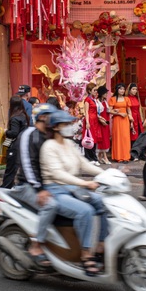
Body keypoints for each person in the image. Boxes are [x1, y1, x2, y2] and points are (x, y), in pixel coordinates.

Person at [40, 110, 107, 275]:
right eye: (66, 124)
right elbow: (58, 174)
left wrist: (107, 174)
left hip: (73, 188)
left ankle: (101, 246)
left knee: (103, 203)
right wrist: (84, 183)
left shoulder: (69, 144)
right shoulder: (49, 146)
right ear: (56, 127)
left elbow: (83, 164)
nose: (70, 127)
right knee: (86, 211)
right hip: (56, 190)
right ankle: (85, 255)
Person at [12, 103, 60, 267]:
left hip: (46, 185)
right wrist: (39, 189)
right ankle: (36, 246)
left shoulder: (48, 135)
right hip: (27, 186)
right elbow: (27, 164)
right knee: (51, 206)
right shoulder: (29, 134)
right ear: (42, 117)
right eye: (50, 116)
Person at [1, 95, 30, 188]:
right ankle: (12, 186)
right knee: (17, 168)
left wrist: (6, 132)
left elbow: (14, 133)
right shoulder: (24, 115)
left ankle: (5, 188)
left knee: (10, 168)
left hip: (15, 145)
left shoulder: (15, 118)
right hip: (23, 144)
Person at [108, 83, 132, 163]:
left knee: (125, 138)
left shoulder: (126, 99)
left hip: (125, 120)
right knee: (118, 137)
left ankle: (126, 156)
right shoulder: (113, 99)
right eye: (120, 89)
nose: (122, 90)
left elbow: (129, 110)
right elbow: (109, 110)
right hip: (117, 119)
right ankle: (118, 157)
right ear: (117, 90)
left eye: (123, 89)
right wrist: (118, 113)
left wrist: (130, 118)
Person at [83, 83, 102, 165]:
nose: (96, 91)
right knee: (89, 139)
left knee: (94, 139)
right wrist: (87, 122)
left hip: (94, 121)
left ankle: (93, 158)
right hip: (90, 120)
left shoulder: (93, 99)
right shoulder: (87, 100)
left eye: (96, 90)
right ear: (89, 91)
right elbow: (86, 112)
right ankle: (90, 158)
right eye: (94, 90)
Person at [96, 86, 111, 165]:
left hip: (106, 122)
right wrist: (101, 120)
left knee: (105, 138)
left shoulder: (105, 102)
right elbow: (97, 113)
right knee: (102, 139)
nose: (106, 94)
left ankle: (100, 156)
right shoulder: (97, 102)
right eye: (105, 93)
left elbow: (108, 111)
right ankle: (105, 157)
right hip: (100, 122)